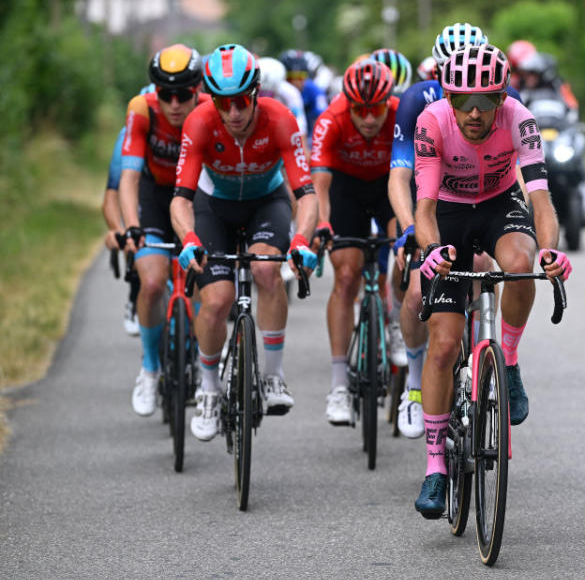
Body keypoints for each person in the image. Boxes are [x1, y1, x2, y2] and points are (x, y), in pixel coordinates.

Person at [411, 43, 572, 517]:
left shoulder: (520, 118)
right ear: (447, 96)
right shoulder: (433, 122)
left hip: (501, 203)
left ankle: (511, 360)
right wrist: (432, 251)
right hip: (449, 211)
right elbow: (423, 210)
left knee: (523, 264)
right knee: (442, 345)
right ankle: (436, 466)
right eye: (462, 101)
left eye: (486, 100)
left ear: (503, 97)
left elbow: (540, 200)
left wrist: (549, 251)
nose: (475, 112)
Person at [171, 43, 319, 441]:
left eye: (240, 102)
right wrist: (187, 238)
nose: (233, 114)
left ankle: (272, 378)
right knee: (216, 300)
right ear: (212, 99)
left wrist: (302, 238)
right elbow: (181, 199)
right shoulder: (200, 121)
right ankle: (207, 388)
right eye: (223, 103)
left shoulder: (281, 118)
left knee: (267, 269)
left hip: (265, 203)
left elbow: (306, 194)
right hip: (213, 207)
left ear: (255, 94)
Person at [387, 22, 522, 439]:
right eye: (451, 68)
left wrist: (520, 220)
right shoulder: (417, 100)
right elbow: (399, 176)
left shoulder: (507, 101)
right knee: (414, 291)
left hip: (485, 197)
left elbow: (515, 167)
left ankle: (492, 347)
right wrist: (411, 229)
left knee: (489, 259)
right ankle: (413, 381)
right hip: (432, 201)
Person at [308, 60, 401, 426]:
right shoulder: (331, 119)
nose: (367, 118)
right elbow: (319, 185)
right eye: (359, 110)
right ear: (348, 105)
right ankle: (339, 386)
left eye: (375, 109)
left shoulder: (401, 115)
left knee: (408, 253)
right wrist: (323, 225)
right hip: (345, 191)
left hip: (389, 187)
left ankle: (395, 322)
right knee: (346, 276)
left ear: (387, 103)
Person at [119, 45, 208, 416]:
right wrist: (132, 227)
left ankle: (207, 366)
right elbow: (128, 178)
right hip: (156, 196)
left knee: (207, 280)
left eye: (183, 94)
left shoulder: (209, 110)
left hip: (198, 196)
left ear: (198, 89)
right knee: (152, 282)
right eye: (165, 94)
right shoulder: (142, 110)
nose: (174, 104)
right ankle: (150, 368)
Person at [102, 124, 140, 336]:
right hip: (142, 197)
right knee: (134, 239)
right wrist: (119, 231)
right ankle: (135, 297)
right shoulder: (130, 135)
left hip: (180, 196)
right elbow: (111, 195)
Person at [281, 49, 328, 146]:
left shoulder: (314, 90)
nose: (295, 82)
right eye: (290, 77)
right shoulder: (278, 90)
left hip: (309, 136)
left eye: (300, 77)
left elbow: (322, 121)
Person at [259, 56, 308, 137]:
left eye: (270, 92)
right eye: (261, 92)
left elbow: (300, 128)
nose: (266, 96)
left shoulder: (291, 93)